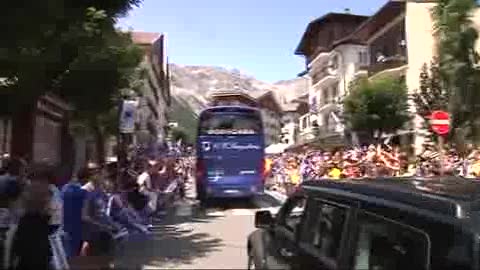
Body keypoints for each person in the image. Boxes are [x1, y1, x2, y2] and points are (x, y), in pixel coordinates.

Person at [10, 167, 53, 270]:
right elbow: (47, 211)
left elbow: (18, 210)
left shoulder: (27, 189)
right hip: (40, 232)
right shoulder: (47, 190)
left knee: (25, 260)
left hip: (26, 229)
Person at [61, 168, 88, 259]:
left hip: (65, 226)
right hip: (78, 227)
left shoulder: (64, 189)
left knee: (67, 256)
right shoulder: (83, 192)